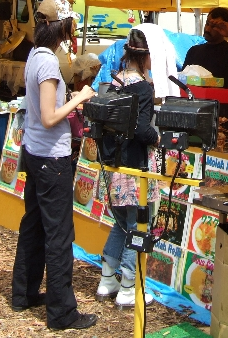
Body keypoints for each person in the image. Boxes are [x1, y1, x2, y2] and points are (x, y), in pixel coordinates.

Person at [11, 0, 98, 331]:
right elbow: (49, 117)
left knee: (33, 225)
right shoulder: (47, 62)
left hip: (34, 153)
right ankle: (62, 312)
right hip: (51, 158)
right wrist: (79, 98)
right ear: (62, 26)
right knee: (59, 234)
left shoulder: (36, 54)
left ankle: (24, 293)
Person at [96, 29, 160, 309]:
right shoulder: (143, 88)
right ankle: (128, 286)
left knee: (121, 223)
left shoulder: (116, 81)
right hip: (137, 167)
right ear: (147, 55)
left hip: (114, 164)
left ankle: (107, 278)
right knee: (138, 224)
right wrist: (158, 138)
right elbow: (142, 129)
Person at [182, 7, 228, 88]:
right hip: (196, 99)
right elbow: (183, 78)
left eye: (214, 26)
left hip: (224, 99)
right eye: (207, 24)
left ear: (224, 28)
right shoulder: (194, 51)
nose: (207, 29)